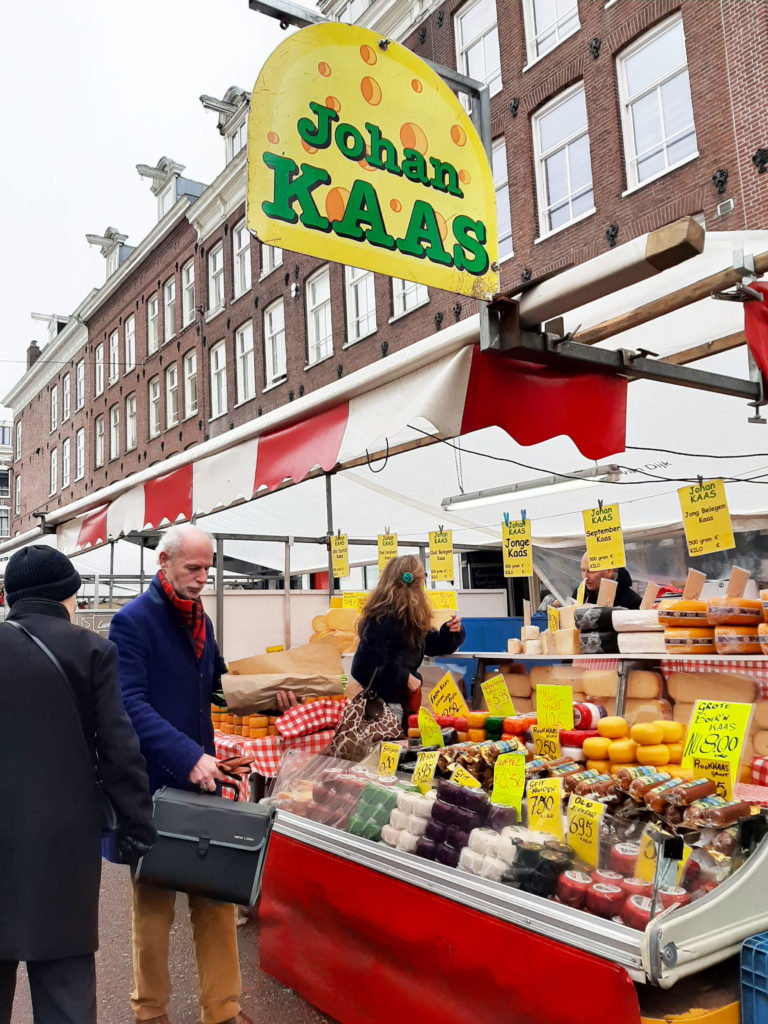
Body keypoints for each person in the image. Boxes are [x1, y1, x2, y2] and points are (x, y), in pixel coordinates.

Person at [0, 544, 155, 1024]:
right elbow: (118, 749)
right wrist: (135, 826)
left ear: (10, 597)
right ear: (67, 596)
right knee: (66, 990)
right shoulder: (92, 651)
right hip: (62, 846)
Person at [109, 524, 252, 1024]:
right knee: (153, 907)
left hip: (201, 782)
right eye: (192, 567)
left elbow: (212, 685)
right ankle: (149, 1012)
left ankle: (223, 1010)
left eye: (207, 568)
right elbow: (128, 703)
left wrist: (264, 695)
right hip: (153, 786)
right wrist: (187, 754)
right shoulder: (132, 622)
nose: (201, 577)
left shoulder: (201, 622)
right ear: (163, 563)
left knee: (215, 900)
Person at [351, 554, 466, 728]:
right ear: (417, 582)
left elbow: (431, 644)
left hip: (404, 704)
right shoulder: (383, 617)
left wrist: (451, 632)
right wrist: (404, 677)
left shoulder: (410, 616)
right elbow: (361, 667)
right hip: (385, 706)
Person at [575, 552, 642, 609]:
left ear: (609, 571)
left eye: (591, 571)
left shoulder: (633, 602)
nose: (584, 577)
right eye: (583, 570)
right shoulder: (578, 594)